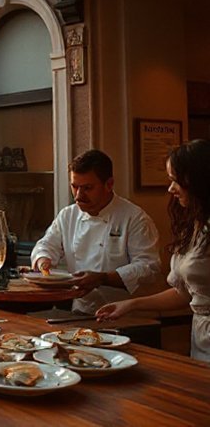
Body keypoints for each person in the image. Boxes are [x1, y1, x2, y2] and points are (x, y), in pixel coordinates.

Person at [97, 140, 210, 362]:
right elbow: (184, 293)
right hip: (200, 339)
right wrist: (131, 304)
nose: (170, 189)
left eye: (175, 181)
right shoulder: (196, 225)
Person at [31, 149, 160, 314]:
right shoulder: (68, 215)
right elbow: (46, 244)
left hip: (128, 317)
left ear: (109, 184)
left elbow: (149, 268)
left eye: (87, 188)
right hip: (81, 312)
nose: (78, 195)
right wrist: (43, 260)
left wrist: (103, 278)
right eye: (75, 187)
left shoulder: (134, 218)